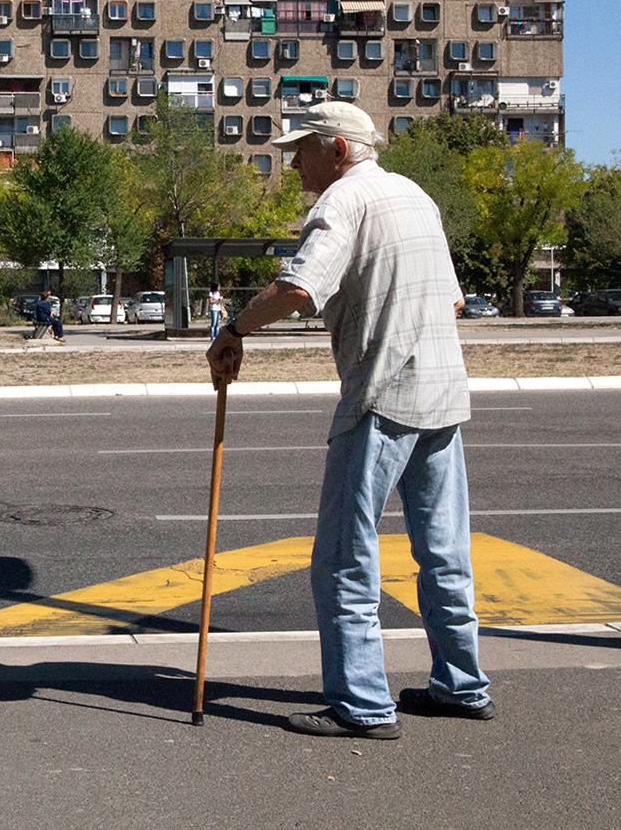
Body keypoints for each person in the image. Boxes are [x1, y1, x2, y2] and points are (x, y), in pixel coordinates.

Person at [205, 102, 492, 741]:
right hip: (443, 395)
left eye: (300, 149)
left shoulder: (343, 202)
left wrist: (234, 328)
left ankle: (362, 703)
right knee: (443, 551)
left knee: (342, 558)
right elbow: (454, 297)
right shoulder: (416, 195)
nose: (291, 160)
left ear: (337, 149)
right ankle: (461, 683)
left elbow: (300, 288)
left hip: (382, 399)